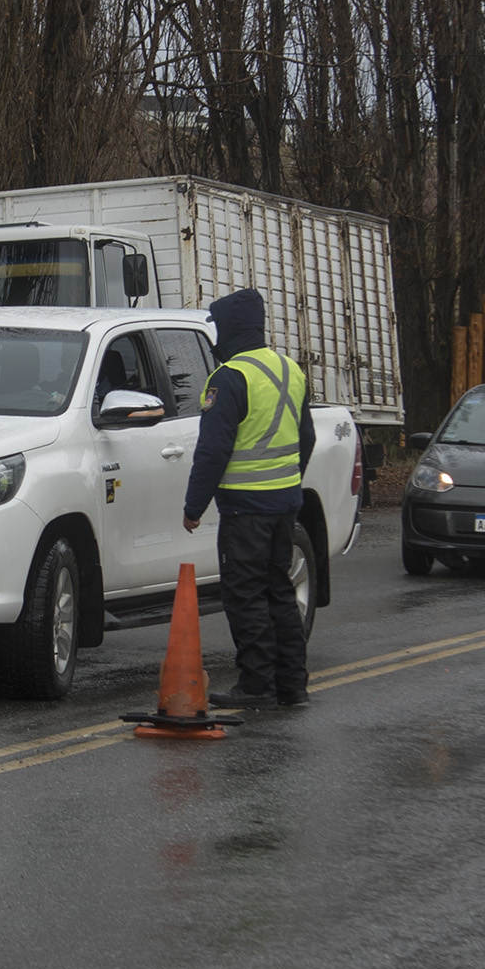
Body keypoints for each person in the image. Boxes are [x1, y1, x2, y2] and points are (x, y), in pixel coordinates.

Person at [181, 288, 315, 706]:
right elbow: (306, 438)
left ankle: (256, 685)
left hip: (245, 507)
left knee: (245, 595)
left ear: (230, 330)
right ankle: (292, 685)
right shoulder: (290, 369)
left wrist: (194, 506)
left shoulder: (229, 377)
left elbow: (214, 450)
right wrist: (288, 481)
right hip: (284, 504)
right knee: (279, 591)